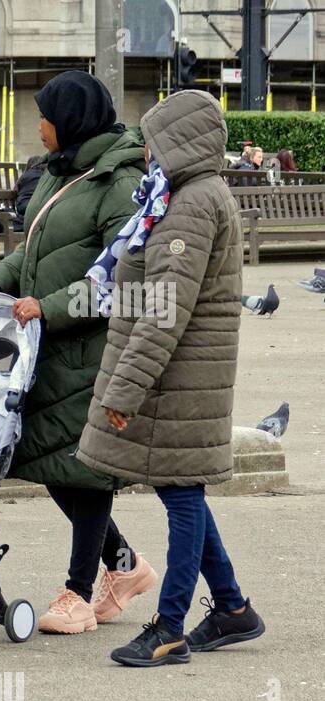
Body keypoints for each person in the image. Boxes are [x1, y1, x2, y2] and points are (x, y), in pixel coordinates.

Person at [0, 70, 157, 635]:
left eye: (44, 116)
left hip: (92, 350)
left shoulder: (119, 183)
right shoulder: (58, 175)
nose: (38, 126)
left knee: (84, 470)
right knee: (52, 464)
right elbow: (33, 256)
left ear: (70, 120)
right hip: (47, 349)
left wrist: (49, 307)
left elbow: (123, 277)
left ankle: (78, 593)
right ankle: (125, 566)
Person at [78, 90, 266, 667]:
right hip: (181, 377)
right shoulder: (182, 195)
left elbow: (164, 309)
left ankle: (170, 626)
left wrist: (125, 391)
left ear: (179, 142)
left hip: (178, 380)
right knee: (181, 491)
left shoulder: (189, 204)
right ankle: (233, 609)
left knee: (183, 499)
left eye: (154, 139)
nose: (146, 149)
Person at [12, 155, 47, 231]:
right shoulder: (46, 177)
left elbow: (16, 192)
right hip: (40, 208)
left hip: (23, 207)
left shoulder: (25, 176)